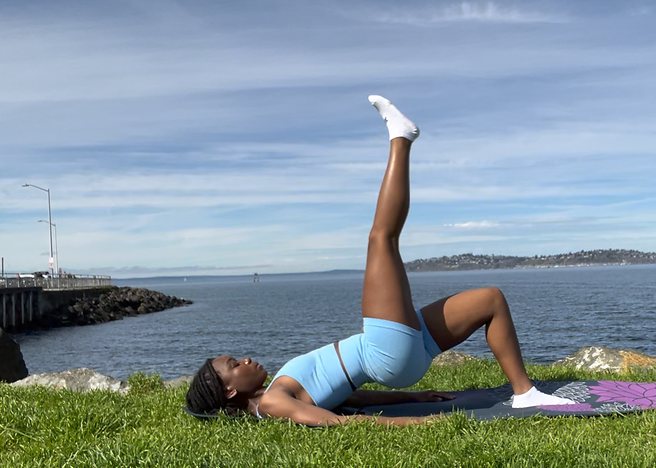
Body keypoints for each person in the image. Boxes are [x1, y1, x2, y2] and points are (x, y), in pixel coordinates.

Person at [185, 95, 574, 426]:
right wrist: (416, 423)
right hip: (385, 351)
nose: (245, 358)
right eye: (235, 363)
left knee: (490, 298)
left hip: (399, 355)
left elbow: (351, 400)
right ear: (231, 389)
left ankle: (524, 392)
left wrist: (418, 396)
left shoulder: (274, 394)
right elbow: (338, 423)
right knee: (380, 239)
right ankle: (400, 137)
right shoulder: (271, 403)